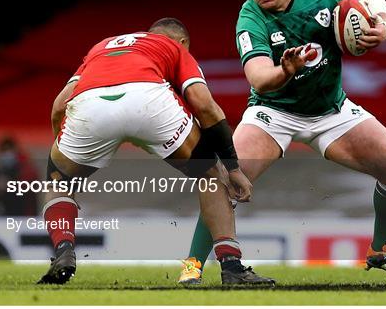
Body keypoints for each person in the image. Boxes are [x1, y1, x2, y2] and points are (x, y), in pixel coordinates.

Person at [179, 0, 386, 284]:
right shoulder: (250, 17)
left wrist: (382, 26)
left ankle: (382, 249)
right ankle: (193, 264)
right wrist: (285, 71)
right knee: (224, 179)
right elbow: (259, 78)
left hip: (330, 109)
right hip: (273, 111)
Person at [37, 17, 274, 285]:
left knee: (58, 183)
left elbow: (59, 105)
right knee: (211, 175)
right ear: (183, 42)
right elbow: (205, 106)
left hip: (90, 105)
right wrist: (232, 167)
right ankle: (231, 266)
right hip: (149, 100)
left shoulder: (102, 48)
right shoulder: (173, 48)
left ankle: (63, 249)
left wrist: (68, 150)